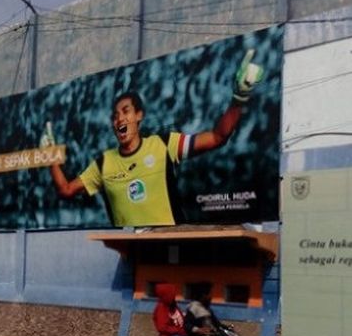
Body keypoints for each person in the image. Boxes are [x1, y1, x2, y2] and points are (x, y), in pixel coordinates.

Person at [44, 50, 264, 227]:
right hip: (132, 254)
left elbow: (218, 137)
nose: (119, 118)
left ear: (139, 116)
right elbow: (66, 190)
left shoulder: (163, 144)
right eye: (115, 115)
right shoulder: (103, 163)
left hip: (169, 246)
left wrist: (239, 98)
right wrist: (51, 156)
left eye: (126, 111)